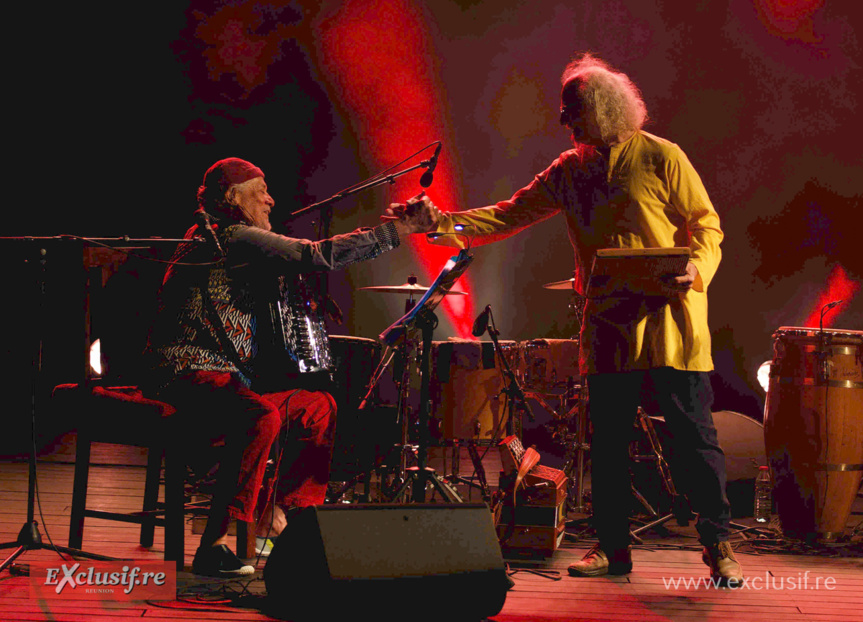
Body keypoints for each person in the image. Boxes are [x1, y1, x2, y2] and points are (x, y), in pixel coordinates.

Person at [391, 53, 742, 585]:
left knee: (694, 441)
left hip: (669, 322)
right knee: (607, 445)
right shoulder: (568, 170)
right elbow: (507, 215)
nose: (562, 119)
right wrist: (439, 222)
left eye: (571, 109)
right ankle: (613, 549)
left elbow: (707, 225)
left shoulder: (661, 156)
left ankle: (718, 544)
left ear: (604, 109)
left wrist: (695, 268)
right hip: (608, 325)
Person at [147, 157, 438, 577]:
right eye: (261, 191)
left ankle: (279, 517)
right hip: (185, 376)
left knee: (318, 408)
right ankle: (215, 543)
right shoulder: (230, 236)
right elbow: (314, 255)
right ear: (233, 197)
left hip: (226, 380)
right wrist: (401, 229)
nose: (271, 199)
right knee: (260, 416)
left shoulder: (230, 238)